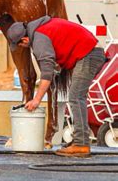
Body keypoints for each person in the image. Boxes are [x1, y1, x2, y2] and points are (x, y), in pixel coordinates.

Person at [7, 16, 107, 158]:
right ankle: (81, 140)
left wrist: (36, 100)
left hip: (88, 54)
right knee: (77, 97)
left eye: (20, 45)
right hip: (90, 51)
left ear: (24, 40)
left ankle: (81, 144)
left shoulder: (39, 39)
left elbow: (46, 75)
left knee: (76, 97)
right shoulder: (42, 27)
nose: (22, 48)